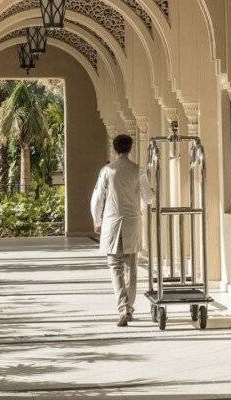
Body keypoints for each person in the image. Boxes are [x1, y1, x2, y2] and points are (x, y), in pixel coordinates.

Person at [90, 134, 154, 326]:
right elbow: (148, 197)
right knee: (130, 267)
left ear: (114, 148)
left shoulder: (107, 171)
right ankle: (128, 307)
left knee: (115, 267)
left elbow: (97, 198)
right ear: (130, 148)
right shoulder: (138, 170)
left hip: (112, 223)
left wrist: (97, 219)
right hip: (131, 223)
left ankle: (123, 308)